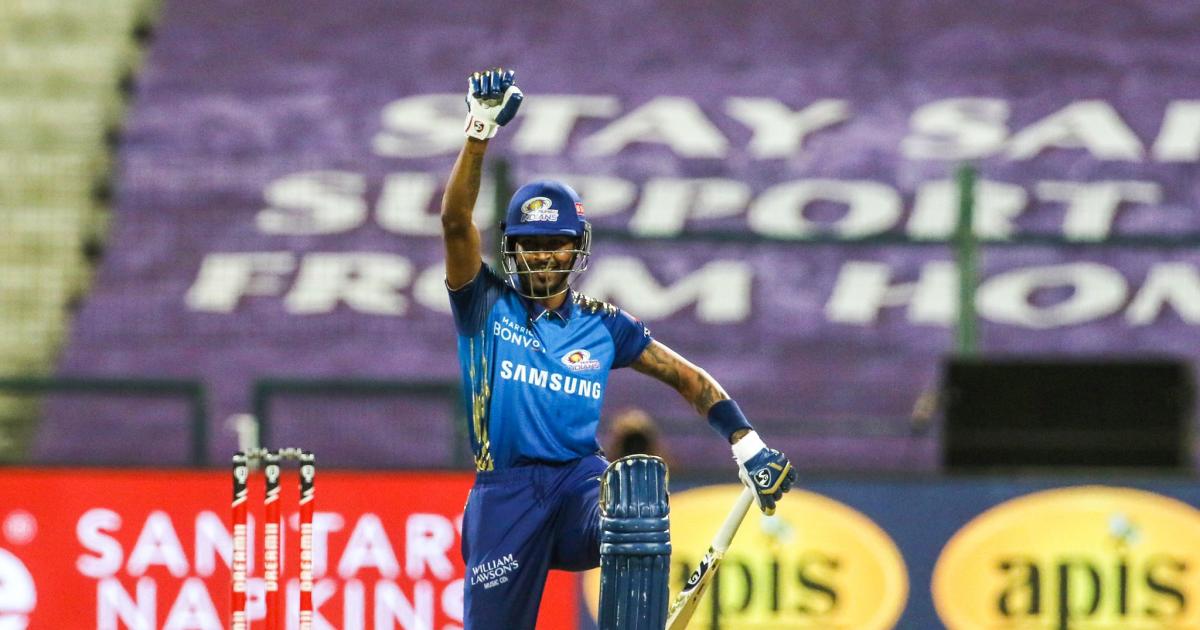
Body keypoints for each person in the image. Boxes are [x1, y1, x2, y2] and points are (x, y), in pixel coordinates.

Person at [442, 67, 797, 630]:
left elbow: (687, 378)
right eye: (530, 244)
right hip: (505, 496)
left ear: (577, 247)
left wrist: (747, 445)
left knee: (634, 496)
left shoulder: (603, 324)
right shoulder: (484, 305)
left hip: (577, 485)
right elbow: (455, 222)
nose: (543, 255)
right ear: (512, 249)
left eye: (555, 243)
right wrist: (479, 131)